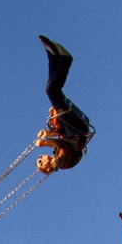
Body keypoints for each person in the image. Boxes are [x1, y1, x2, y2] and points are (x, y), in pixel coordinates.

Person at [35, 37, 91, 172]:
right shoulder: (62, 163)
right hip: (77, 130)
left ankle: (53, 57)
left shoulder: (56, 154)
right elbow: (64, 145)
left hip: (71, 128)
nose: (41, 158)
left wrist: (48, 132)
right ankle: (64, 60)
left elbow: (61, 137)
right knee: (51, 91)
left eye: (38, 159)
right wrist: (46, 141)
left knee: (52, 91)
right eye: (41, 163)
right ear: (47, 167)